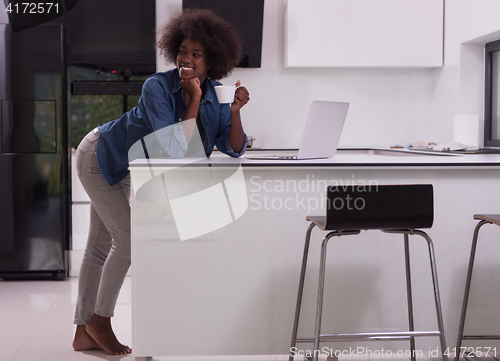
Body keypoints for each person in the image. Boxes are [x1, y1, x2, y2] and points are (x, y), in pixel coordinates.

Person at [72, 8, 250, 355]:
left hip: (123, 165)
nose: (186, 58)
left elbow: (233, 148)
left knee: (99, 245)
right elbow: (172, 148)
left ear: (211, 61)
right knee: (126, 241)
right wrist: (194, 98)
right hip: (100, 155)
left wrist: (236, 112)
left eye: (196, 54)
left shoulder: (216, 95)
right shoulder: (157, 86)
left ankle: (83, 331)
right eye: (183, 51)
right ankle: (100, 321)